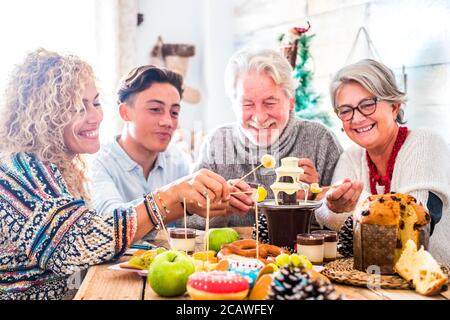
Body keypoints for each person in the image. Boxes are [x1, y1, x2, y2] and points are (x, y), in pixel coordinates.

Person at [0, 48, 230, 299]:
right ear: (44, 115)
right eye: (79, 108)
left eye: (96, 103)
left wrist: (191, 200)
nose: (96, 116)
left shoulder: (55, 168)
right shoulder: (20, 172)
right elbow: (81, 245)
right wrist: (171, 195)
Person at [188, 48, 343, 228]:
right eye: (247, 104)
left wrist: (315, 197)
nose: (260, 117)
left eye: (270, 103)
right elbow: (189, 222)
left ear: (290, 100)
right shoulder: (216, 143)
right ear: (233, 104)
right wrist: (219, 208)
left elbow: (344, 222)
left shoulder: (320, 141)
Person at [315, 59, 450, 263]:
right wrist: (332, 205)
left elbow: (412, 227)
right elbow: (329, 218)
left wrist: (351, 204)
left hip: (432, 283)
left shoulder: (425, 143)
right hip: (370, 280)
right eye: (345, 110)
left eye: (368, 105)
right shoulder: (351, 156)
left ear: (394, 106)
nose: (357, 118)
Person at [89, 65, 190, 235]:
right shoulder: (98, 164)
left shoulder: (177, 160)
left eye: (174, 112)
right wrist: (171, 195)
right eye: (155, 109)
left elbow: (188, 225)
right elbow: (111, 225)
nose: (168, 122)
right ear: (125, 112)